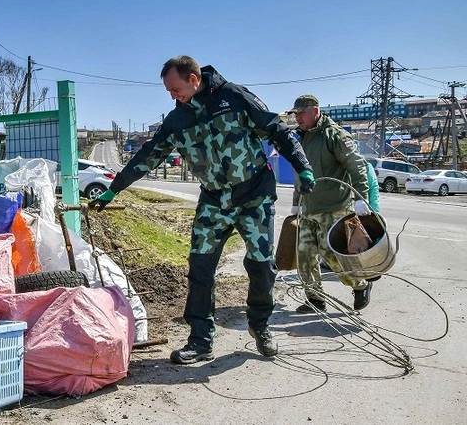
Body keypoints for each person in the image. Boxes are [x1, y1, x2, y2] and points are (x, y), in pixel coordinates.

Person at [89, 56, 315, 364]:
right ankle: (200, 340)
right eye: (168, 91)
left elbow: (278, 130)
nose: (172, 95)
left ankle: (260, 326)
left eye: (175, 88)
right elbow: (148, 155)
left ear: (194, 80)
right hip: (213, 201)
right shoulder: (177, 120)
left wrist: (302, 167)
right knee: (200, 269)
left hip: (253, 195)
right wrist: (115, 188)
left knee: (261, 266)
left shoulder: (235, 98)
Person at [287, 94, 373, 314]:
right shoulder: (301, 137)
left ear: (315, 110)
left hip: (335, 208)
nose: (297, 118)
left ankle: (361, 285)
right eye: (295, 114)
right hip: (309, 209)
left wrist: (361, 198)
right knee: (304, 254)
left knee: (332, 256)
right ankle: (315, 299)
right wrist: (297, 203)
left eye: (301, 113)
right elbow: (300, 173)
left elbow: (357, 166)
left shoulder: (334, 135)